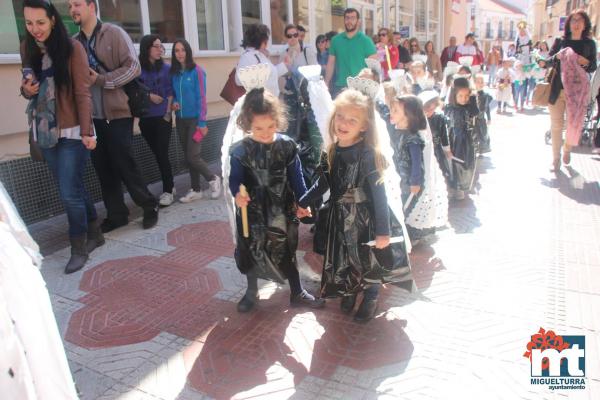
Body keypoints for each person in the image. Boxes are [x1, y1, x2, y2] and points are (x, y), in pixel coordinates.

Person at [298, 88, 413, 322]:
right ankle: (351, 289)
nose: (344, 123)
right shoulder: (330, 151)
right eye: (340, 116)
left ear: (363, 126)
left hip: (366, 216)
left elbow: (380, 196)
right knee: (348, 258)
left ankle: (371, 296)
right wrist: (302, 200)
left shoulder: (369, 154)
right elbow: (322, 184)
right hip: (340, 216)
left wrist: (383, 231)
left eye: (352, 119)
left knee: (369, 259)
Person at [21, 0, 102, 274]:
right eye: (29, 23)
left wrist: (87, 131)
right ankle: (95, 232)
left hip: (72, 131)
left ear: (53, 20)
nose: (35, 29)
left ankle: (78, 247)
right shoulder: (28, 47)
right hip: (45, 130)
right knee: (73, 185)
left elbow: (82, 92)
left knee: (68, 192)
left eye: (40, 23)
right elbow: (29, 87)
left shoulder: (72, 48)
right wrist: (27, 90)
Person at [229, 88, 325, 313]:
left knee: (286, 251)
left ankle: (297, 291)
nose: (265, 133)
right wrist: (237, 194)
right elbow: (235, 180)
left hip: (282, 210)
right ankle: (252, 291)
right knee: (253, 250)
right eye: (258, 128)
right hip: (252, 212)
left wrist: (303, 202)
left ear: (277, 121)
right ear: (247, 124)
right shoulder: (240, 152)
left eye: (270, 127)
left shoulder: (287, 146)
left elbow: (297, 176)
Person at [69, 0, 159, 233]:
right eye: (69, 5)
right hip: (92, 118)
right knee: (103, 167)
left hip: (118, 113)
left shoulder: (114, 33)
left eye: (77, 3)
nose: (72, 9)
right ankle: (117, 214)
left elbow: (133, 68)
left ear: (91, 6)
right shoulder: (74, 42)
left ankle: (149, 205)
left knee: (124, 163)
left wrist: (100, 79)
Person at [539, 9, 597, 171]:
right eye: (573, 20)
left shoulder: (589, 44)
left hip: (578, 93)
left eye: (580, 20)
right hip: (557, 89)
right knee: (556, 125)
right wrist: (556, 56)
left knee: (573, 124)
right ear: (569, 23)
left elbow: (592, 67)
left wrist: (585, 61)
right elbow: (547, 62)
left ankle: (567, 149)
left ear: (585, 24)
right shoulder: (560, 42)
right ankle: (556, 159)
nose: (576, 23)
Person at [170, 39, 221, 203]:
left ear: (188, 52)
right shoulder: (174, 73)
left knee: (193, 156)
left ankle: (213, 179)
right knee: (188, 156)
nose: (180, 54)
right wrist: (174, 103)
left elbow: (202, 97)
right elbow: (175, 96)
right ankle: (196, 189)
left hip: (195, 121)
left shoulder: (197, 71)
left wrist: (202, 122)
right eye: (176, 51)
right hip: (180, 120)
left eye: (183, 50)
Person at [138, 35, 175, 206]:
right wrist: (148, 95)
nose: (160, 50)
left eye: (161, 47)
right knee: (158, 154)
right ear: (147, 48)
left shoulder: (166, 69)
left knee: (161, 153)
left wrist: (167, 115)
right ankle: (170, 185)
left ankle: (168, 190)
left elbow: (170, 92)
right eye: (156, 46)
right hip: (145, 118)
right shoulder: (138, 69)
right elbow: (134, 90)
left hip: (162, 117)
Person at [325, 8, 377, 97]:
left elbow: (373, 67)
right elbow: (330, 63)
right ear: (344, 20)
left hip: (361, 87)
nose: (349, 21)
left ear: (358, 21)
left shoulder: (366, 41)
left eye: (353, 18)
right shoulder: (335, 40)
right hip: (340, 86)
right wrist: (326, 83)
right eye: (347, 18)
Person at [444, 77, 479, 200]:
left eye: (466, 96)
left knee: (464, 164)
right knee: (453, 163)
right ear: (454, 95)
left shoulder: (468, 107)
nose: (464, 99)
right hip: (453, 138)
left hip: (466, 140)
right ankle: (453, 187)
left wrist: (473, 98)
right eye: (460, 96)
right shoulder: (450, 108)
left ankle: (461, 188)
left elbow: (475, 112)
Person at [236, 24, 289, 98]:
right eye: (265, 42)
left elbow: (272, 74)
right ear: (258, 40)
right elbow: (239, 80)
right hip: (259, 104)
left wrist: (284, 64)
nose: (266, 45)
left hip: (268, 102)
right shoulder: (248, 56)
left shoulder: (260, 55)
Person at [420, 91, 453, 188]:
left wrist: (447, 150)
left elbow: (444, 136)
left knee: (441, 171)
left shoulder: (439, 118)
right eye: (427, 109)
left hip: (437, 151)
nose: (430, 112)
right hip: (424, 152)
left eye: (433, 109)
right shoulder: (418, 119)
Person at [473, 74, 492, 153]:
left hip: (481, 119)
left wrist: (489, 118)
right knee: (474, 134)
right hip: (473, 119)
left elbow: (487, 108)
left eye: (482, 82)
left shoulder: (485, 95)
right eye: (478, 82)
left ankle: (482, 148)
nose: (480, 84)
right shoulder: (471, 94)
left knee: (483, 134)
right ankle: (474, 147)